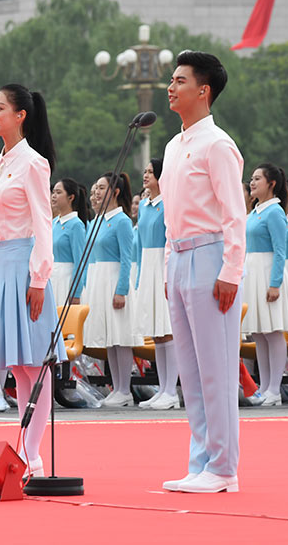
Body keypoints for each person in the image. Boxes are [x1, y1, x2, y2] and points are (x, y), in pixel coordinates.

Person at [160, 51, 245, 493]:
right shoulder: (174, 145)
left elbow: (234, 214)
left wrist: (231, 269)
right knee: (189, 370)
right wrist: (167, 266)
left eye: (179, 80)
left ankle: (224, 467)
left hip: (211, 257)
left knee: (216, 368)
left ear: (203, 90)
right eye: (170, 80)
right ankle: (201, 461)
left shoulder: (218, 145)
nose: (170, 88)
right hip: (179, 258)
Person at [0, 84, 66, 478]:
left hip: (27, 264)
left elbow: (43, 223)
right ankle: (25, 447)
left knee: (35, 366)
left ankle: (34, 452)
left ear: (20, 115)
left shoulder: (33, 163)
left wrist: (39, 277)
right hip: (0, 264)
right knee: (16, 364)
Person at [82, 172, 142, 407]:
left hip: (115, 279)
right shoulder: (99, 220)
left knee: (121, 336)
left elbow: (127, 259)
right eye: (95, 188)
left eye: (102, 188)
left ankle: (125, 389)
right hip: (100, 280)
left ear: (115, 192)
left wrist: (122, 290)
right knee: (110, 337)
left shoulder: (122, 221)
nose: (96, 192)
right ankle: (116, 387)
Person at [243, 164, 288, 407]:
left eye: (257, 179)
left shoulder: (274, 211)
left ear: (271, 183)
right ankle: (264, 387)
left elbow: (280, 250)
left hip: (268, 274)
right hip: (253, 274)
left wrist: (275, 283)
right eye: (251, 179)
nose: (252, 183)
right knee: (259, 333)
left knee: (273, 332)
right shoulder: (254, 212)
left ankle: (275, 387)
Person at [135, 160, 180, 410]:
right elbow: (141, 243)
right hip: (147, 265)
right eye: (145, 172)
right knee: (155, 331)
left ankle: (171, 390)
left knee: (167, 329)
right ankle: (162, 388)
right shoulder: (144, 206)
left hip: (163, 263)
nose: (146, 176)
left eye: (151, 172)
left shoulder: (168, 203)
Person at [50, 178, 88, 306]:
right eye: (53, 192)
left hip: (66, 281)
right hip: (52, 279)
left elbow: (80, 261)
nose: (54, 196)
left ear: (71, 197)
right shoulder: (53, 224)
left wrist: (76, 293)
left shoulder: (76, 225)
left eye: (59, 192)